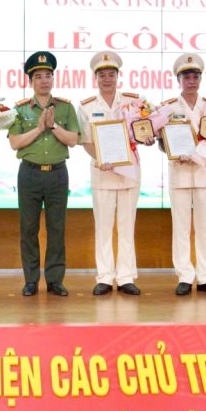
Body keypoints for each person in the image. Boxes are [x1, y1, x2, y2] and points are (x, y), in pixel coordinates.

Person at [8, 51, 80, 297]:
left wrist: (53, 126)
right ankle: (30, 280)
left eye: (48, 75)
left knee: (56, 228)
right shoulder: (20, 110)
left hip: (58, 174)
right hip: (29, 174)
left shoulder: (66, 108)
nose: (44, 80)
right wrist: (39, 129)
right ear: (31, 81)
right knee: (28, 229)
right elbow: (15, 143)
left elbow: (73, 139)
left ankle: (55, 280)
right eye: (38, 76)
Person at [161, 53, 206, 296]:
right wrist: (169, 148)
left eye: (196, 76)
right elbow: (162, 142)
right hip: (179, 172)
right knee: (180, 226)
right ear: (178, 79)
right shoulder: (168, 107)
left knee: (204, 226)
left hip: (204, 171)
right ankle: (184, 275)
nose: (192, 80)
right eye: (187, 76)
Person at [77, 50, 143, 296]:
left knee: (127, 227)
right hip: (103, 174)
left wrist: (146, 136)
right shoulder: (86, 106)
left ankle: (126, 276)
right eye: (102, 74)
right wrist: (100, 157)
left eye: (111, 74)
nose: (107, 78)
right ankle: (104, 276)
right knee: (103, 228)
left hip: (129, 174)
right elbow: (85, 140)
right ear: (95, 77)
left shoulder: (134, 102)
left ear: (118, 76)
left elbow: (143, 132)